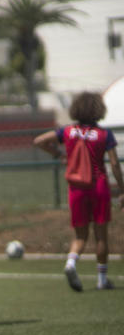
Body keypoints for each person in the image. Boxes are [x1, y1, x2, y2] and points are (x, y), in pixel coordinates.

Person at [33, 92, 124, 291]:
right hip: (98, 186)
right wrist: (122, 188)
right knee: (101, 235)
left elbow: (39, 140)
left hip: (76, 188)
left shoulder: (67, 131)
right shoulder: (104, 134)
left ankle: (71, 263)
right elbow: (115, 164)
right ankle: (102, 279)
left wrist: (59, 155)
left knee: (80, 236)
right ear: (98, 110)